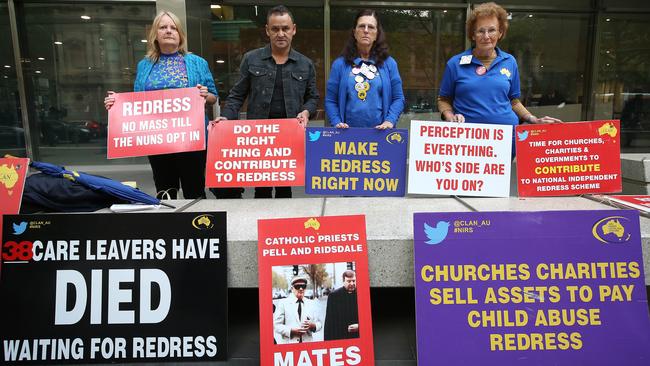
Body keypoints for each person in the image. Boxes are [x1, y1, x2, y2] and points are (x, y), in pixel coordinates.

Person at [105, 11, 217, 199]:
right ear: (155, 34)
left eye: (173, 28)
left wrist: (206, 95)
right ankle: (169, 227)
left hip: (190, 138)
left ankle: (197, 227)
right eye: (163, 27)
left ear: (180, 34)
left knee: (194, 188)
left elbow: (214, 97)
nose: (168, 31)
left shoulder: (198, 63)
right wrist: (116, 104)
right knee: (164, 189)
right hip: (157, 138)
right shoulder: (144, 65)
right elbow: (137, 100)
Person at [213, 5, 319, 199]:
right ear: (267, 30)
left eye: (285, 28)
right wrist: (225, 118)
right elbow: (237, 95)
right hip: (259, 137)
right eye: (275, 29)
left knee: (285, 189)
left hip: (289, 136)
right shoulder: (251, 59)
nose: (280, 34)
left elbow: (313, 98)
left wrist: (306, 111)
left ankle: (281, 227)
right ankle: (260, 226)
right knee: (261, 189)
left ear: (293, 29)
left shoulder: (305, 64)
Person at [437, 2, 561, 134]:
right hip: (470, 142)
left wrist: (533, 119)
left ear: (500, 33)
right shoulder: (455, 63)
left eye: (491, 30)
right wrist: (450, 117)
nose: (486, 36)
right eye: (480, 31)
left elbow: (514, 101)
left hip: (506, 138)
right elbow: (443, 100)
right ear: (473, 35)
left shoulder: (510, 61)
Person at [325, 9, 405, 129]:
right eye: (362, 26)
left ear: (377, 34)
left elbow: (398, 98)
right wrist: (337, 122)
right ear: (354, 32)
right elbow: (331, 100)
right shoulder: (340, 64)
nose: (366, 31)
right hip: (346, 136)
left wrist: (390, 121)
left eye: (371, 27)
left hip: (381, 134)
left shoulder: (389, 63)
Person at [274, 275, 322, 344]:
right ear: (292, 288)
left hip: (307, 346)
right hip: (289, 347)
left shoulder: (311, 303)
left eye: (303, 286)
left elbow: (319, 323)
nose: (301, 289)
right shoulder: (283, 303)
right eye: (297, 286)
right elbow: (276, 326)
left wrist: (313, 326)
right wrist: (291, 331)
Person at [324, 270, 359, 341]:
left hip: (358, 337)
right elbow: (329, 323)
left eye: (354, 281)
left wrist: (359, 326)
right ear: (343, 281)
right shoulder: (334, 296)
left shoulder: (361, 294)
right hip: (340, 337)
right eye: (349, 281)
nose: (352, 283)